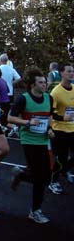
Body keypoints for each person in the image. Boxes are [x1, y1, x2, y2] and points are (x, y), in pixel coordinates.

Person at [8, 67, 54, 224]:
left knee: (47, 176)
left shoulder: (49, 98)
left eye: (45, 82)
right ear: (33, 85)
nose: (44, 85)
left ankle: (20, 174)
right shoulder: (24, 99)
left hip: (43, 140)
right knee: (40, 177)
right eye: (41, 82)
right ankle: (35, 211)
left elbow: (49, 117)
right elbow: (10, 118)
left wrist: (50, 129)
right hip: (28, 140)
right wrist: (27, 122)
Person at [48, 63, 74, 194]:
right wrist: (62, 117)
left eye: (72, 71)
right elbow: (50, 113)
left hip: (73, 128)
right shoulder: (56, 92)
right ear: (62, 73)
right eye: (69, 71)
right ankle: (54, 182)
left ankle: (64, 170)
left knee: (68, 160)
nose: (71, 73)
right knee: (60, 159)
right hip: (59, 130)